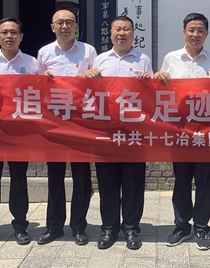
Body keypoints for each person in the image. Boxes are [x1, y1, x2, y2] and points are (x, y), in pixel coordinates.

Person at [154, 13, 210, 251]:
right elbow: (161, 91)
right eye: (191, 30)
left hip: (206, 133)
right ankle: (182, 226)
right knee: (182, 181)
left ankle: (202, 228)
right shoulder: (171, 58)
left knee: (204, 182)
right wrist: (158, 77)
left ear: (207, 34)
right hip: (180, 132)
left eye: (200, 30)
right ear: (184, 32)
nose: (196, 34)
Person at [85, 16, 153, 250]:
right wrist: (89, 78)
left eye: (126, 29)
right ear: (111, 33)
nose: (122, 33)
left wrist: (148, 82)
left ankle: (132, 228)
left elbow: (153, 96)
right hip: (105, 131)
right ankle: (109, 228)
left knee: (134, 183)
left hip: (134, 132)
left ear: (133, 34)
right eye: (118, 29)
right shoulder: (100, 59)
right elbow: (88, 93)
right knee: (107, 183)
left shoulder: (143, 60)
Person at [35, 9, 95, 246]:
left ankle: (79, 226)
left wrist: (93, 75)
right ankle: (54, 226)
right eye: (60, 23)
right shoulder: (44, 52)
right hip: (54, 122)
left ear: (76, 26)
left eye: (69, 22)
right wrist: (42, 78)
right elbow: (34, 86)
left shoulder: (88, 51)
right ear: (53, 27)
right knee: (55, 176)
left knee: (82, 177)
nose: (65, 26)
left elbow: (99, 84)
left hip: (81, 122)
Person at [0, 18, 38, 249]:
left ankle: (20, 226)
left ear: (21, 36)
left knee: (19, 179)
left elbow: (42, 92)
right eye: (4, 33)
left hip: (20, 130)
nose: (9, 36)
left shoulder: (32, 62)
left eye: (14, 32)